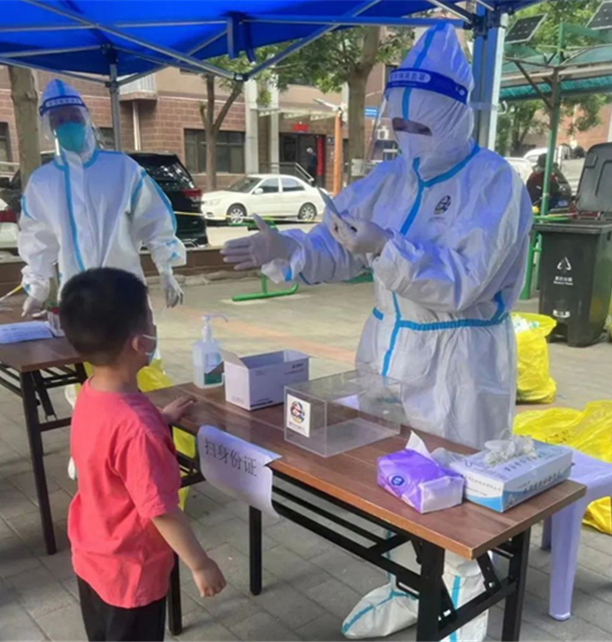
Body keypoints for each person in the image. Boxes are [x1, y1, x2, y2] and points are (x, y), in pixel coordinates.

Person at [222, 23, 532, 640]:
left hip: (458, 361)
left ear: (454, 118)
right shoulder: (390, 180)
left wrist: (388, 247)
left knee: (456, 488)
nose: (407, 137)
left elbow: (464, 282)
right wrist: (291, 248)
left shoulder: (493, 183)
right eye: (399, 124)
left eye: (422, 126)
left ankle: (463, 599)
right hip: (388, 351)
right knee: (394, 478)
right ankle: (409, 583)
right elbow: (339, 242)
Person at [60, 268, 225, 642]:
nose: (155, 327)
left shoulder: (92, 393)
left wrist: (159, 419)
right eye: (150, 319)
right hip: (131, 572)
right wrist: (200, 564)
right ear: (140, 343)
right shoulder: (137, 429)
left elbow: (111, 443)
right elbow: (161, 510)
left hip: (93, 557)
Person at [19, 79, 186, 316]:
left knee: (133, 338)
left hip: (124, 288)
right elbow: (37, 239)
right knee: (82, 340)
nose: (68, 125)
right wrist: (37, 290)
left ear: (86, 119)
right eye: (59, 120)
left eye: (74, 117)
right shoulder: (43, 182)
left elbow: (155, 219)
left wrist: (166, 271)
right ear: (49, 127)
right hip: (76, 294)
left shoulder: (121, 169)